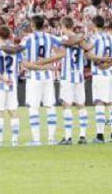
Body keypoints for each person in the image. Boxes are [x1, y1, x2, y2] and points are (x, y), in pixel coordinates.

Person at [20, 15, 66, 146]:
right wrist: (48, 63)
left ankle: (36, 140)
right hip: (47, 76)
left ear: (33, 25)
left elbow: (24, 60)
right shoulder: (50, 37)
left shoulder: (27, 39)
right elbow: (62, 53)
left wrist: (38, 64)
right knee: (50, 106)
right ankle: (51, 139)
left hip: (34, 77)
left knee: (33, 107)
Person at [85, 16, 112, 143]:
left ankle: (100, 135)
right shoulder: (111, 37)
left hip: (100, 74)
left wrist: (102, 62)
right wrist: (109, 65)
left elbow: (89, 52)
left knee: (100, 103)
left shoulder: (94, 37)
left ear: (94, 25)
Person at [0, 26, 21, 147]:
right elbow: (20, 65)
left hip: (0, 84)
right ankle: (15, 141)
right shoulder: (14, 50)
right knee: (13, 111)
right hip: (13, 84)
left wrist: (3, 79)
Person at [56, 17, 87, 145]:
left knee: (66, 105)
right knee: (81, 106)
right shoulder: (80, 39)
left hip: (67, 77)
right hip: (79, 76)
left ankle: (68, 137)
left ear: (63, 26)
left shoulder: (64, 38)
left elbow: (61, 51)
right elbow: (87, 50)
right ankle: (82, 136)